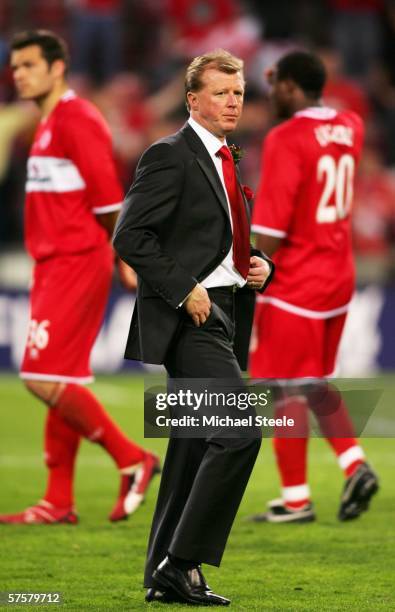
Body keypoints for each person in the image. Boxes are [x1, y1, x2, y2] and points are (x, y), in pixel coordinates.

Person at [113, 49, 273, 606]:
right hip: (193, 318)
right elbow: (131, 237)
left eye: (239, 93)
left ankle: (163, 570)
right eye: (222, 92)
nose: (233, 102)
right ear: (192, 100)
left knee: (189, 446)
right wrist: (184, 288)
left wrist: (259, 264)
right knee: (240, 431)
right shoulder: (169, 155)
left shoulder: (227, 154)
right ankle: (181, 564)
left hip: (230, 311)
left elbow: (215, 234)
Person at [0, 30, 159, 526]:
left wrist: (125, 256)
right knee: (61, 375)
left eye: (28, 65)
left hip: (76, 260)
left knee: (41, 375)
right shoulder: (44, 124)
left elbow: (110, 198)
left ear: (57, 68)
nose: (18, 73)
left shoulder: (77, 118)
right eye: (15, 66)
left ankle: (132, 458)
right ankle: (58, 501)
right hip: (53, 262)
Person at [249, 50, 379, 524]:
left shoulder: (286, 138)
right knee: (312, 383)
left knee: (282, 389)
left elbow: (272, 231)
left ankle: (298, 499)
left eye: (274, 84)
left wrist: (250, 258)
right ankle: (352, 465)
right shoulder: (352, 125)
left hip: (296, 278)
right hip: (339, 275)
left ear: (287, 86)